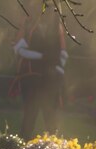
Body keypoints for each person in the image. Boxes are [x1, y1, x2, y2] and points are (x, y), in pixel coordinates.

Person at [13, 4, 68, 139]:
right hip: (31, 77)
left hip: (51, 78)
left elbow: (63, 53)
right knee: (30, 115)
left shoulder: (57, 28)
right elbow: (19, 49)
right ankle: (22, 146)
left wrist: (59, 69)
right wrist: (42, 57)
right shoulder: (28, 25)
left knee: (51, 117)